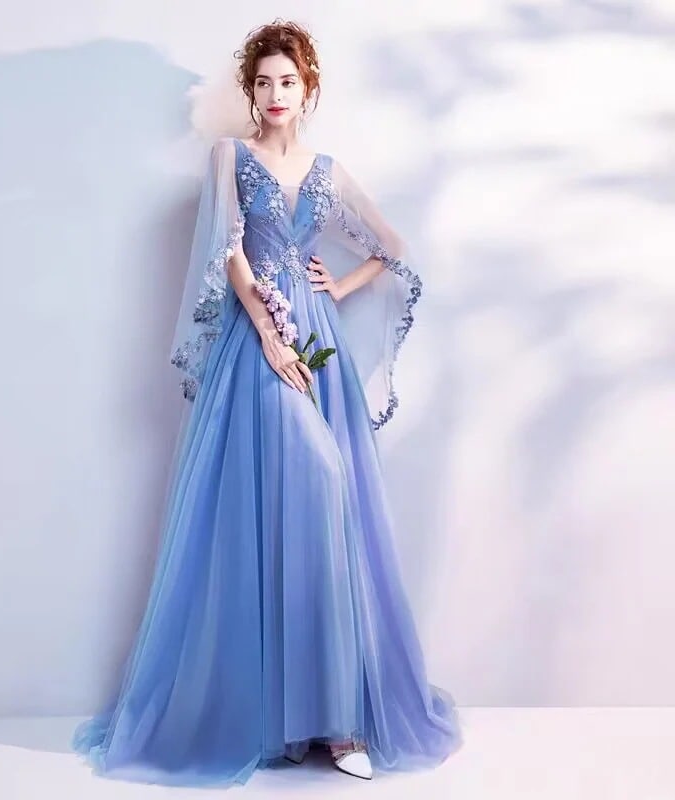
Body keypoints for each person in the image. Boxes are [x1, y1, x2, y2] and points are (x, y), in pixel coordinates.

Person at [71, 18, 463, 787]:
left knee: (328, 510)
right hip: (258, 347)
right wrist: (269, 333)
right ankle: (271, 716)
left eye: (287, 80)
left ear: (308, 87)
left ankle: (338, 721)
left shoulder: (328, 170)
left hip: (317, 343)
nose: (275, 93)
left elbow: (392, 248)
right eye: (262, 81)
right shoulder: (231, 157)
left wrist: (338, 285)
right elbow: (228, 251)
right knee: (282, 503)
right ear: (249, 90)